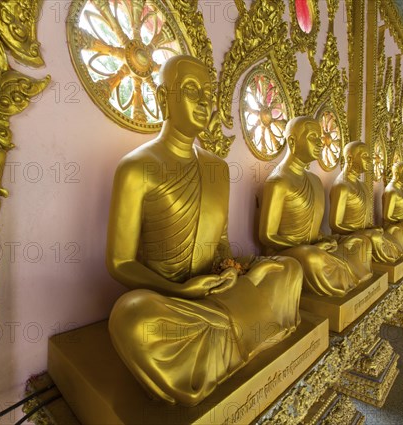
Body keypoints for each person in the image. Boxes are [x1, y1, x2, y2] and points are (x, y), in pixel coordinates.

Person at [106, 55, 302, 406]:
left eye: (208, 94)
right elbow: (120, 263)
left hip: (213, 290)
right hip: (171, 298)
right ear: (165, 99)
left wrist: (229, 269)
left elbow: (221, 241)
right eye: (191, 91)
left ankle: (222, 342)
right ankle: (247, 333)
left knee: (286, 269)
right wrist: (178, 289)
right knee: (132, 317)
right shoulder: (137, 168)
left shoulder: (218, 168)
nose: (203, 102)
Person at [259, 117, 373, 297]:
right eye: (313, 137)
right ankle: (343, 281)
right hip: (285, 250)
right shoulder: (279, 181)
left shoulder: (315, 181)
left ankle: (351, 280)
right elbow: (267, 236)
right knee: (313, 257)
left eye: (320, 138)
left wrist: (321, 239)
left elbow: (313, 228)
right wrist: (310, 246)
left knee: (359, 244)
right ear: (292, 141)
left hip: (312, 246)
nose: (320, 143)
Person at [329, 141, 403, 263]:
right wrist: (362, 230)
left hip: (362, 232)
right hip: (345, 236)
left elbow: (365, 221)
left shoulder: (363, 186)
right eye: (365, 156)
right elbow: (335, 224)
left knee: (388, 234)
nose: (370, 160)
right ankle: (390, 258)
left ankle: (397, 256)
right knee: (374, 238)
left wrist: (370, 226)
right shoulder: (342, 186)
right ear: (350, 158)